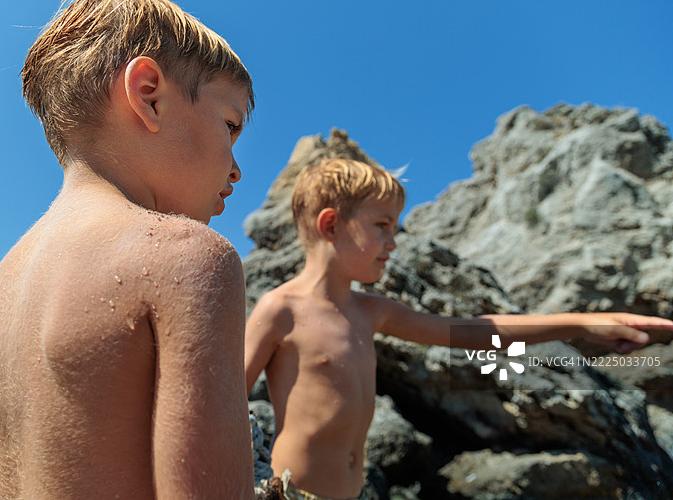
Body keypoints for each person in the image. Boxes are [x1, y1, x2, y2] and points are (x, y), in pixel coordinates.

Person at [0, 0, 256, 500]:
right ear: (149, 96)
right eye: (230, 125)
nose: (236, 168)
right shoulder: (187, 257)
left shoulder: (2, 289)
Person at [244, 157, 673, 500]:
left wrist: (582, 323)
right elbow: (223, 401)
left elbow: (475, 331)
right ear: (331, 224)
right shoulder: (280, 309)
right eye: (382, 226)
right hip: (294, 492)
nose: (394, 241)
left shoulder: (373, 312)